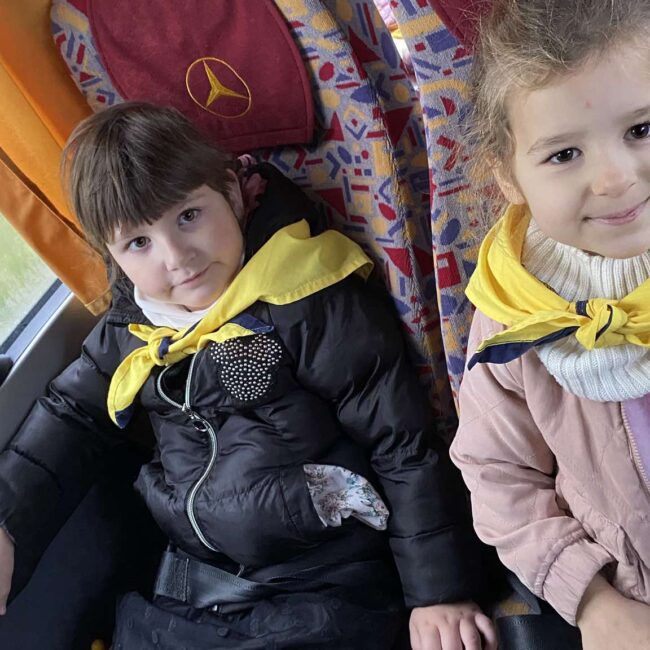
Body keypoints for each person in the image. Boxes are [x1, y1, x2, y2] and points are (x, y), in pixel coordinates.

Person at [0, 102, 495, 650]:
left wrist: (438, 592)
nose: (177, 257)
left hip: (326, 583)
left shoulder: (306, 296)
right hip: (191, 585)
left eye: (189, 215)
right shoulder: (135, 326)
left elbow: (400, 442)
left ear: (233, 193)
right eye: (139, 242)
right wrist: (7, 521)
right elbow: (73, 414)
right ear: (114, 257)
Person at [449, 1, 650, 649]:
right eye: (564, 153)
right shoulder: (514, 311)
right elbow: (498, 471)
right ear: (508, 178)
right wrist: (591, 600)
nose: (616, 178)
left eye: (642, 129)